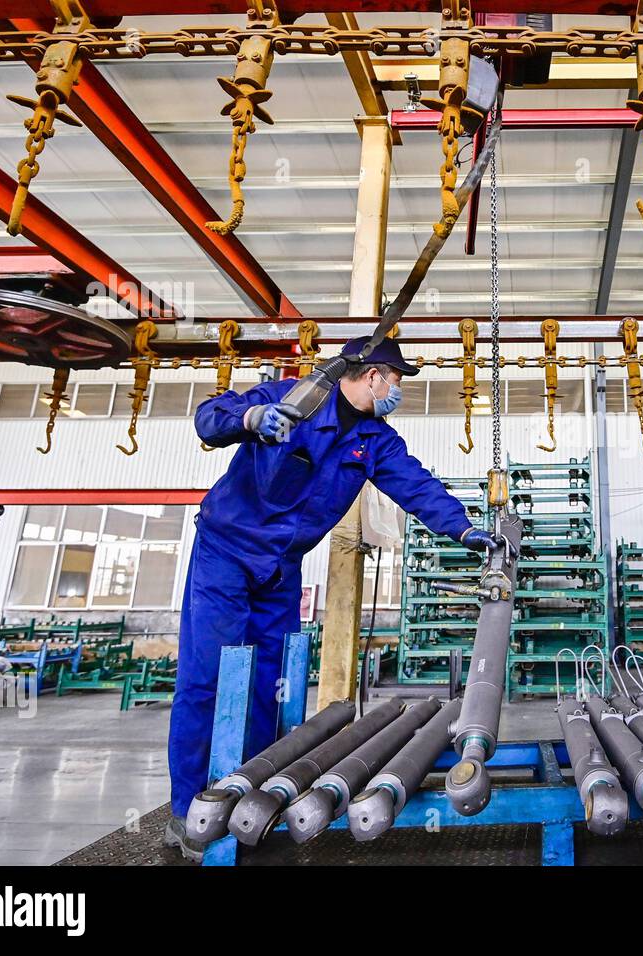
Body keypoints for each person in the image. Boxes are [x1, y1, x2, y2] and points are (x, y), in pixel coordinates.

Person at [163, 335, 508, 860]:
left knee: (269, 684)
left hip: (280, 568)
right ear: (372, 377)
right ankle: (188, 808)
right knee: (207, 679)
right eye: (395, 381)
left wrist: (464, 530)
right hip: (226, 554)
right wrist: (251, 421)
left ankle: (244, 794)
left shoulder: (375, 439)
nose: (397, 391)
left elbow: (417, 487)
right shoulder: (295, 398)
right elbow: (210, 416)